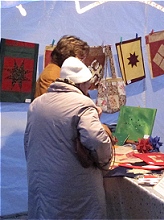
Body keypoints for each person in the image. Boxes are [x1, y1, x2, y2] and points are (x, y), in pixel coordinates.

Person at [24, 57, 112, 219]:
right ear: (79, 83)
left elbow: (28, 143)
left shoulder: (37, 104)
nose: (89, 87)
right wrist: (106, 162)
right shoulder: (82, 104)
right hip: (73, 186)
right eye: (87, 83)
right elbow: (96, 139)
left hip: (42, 182)